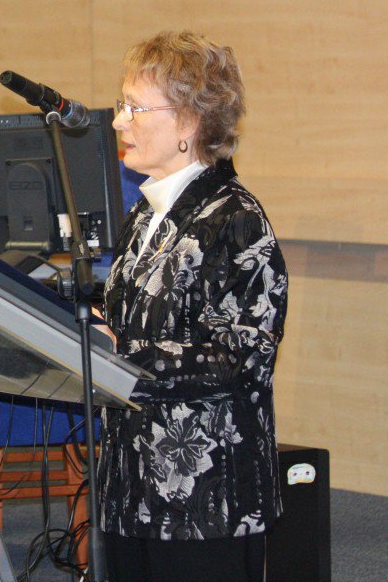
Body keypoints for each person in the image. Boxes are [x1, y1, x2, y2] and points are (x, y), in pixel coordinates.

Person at [97, 31, 288, 582]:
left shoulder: (237, 220)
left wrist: (118, 355)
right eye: (121, 105)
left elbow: (239, 359)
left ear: (187, 122)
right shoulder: (145, 214)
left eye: (135, 108)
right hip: (130, 490)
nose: (119, 121)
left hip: (205, 503)